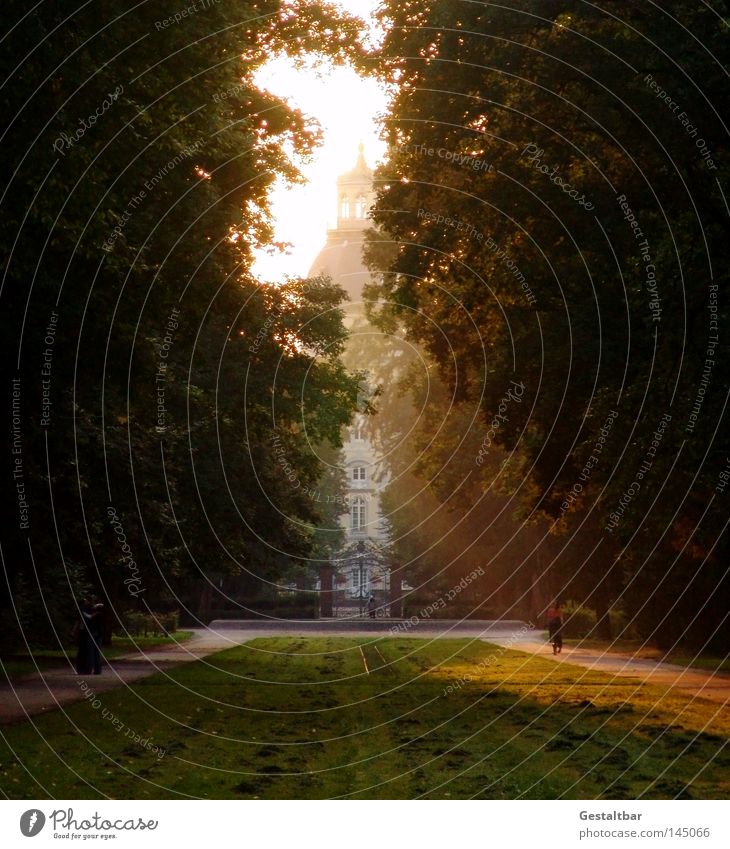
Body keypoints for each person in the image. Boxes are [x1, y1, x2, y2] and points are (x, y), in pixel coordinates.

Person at [75, 597, 104, 674]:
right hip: (96, 632)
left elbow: (88, 618)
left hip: (92, 632)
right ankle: (95, 670)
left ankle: (88, 669)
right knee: (95, 652)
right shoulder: (94, 609)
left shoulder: (88, 609)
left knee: (90, 652)